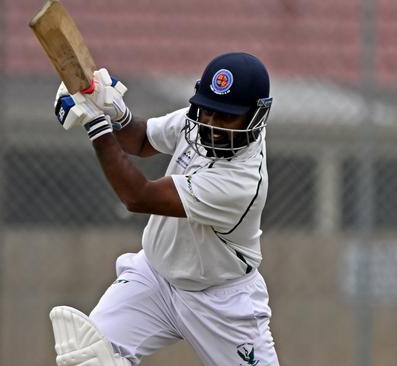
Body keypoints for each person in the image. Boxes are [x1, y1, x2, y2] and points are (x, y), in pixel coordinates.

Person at [50, 52, 278, 366]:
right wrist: (115, 112)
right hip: (154, 278)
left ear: (256, 116)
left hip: (221, 301)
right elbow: (142, 141)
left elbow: (137, 196)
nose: (211, 125)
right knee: (87, 357)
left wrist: (96, 125)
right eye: (209, 111)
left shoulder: (241, 181)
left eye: (226, 116)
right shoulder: (200, 120)